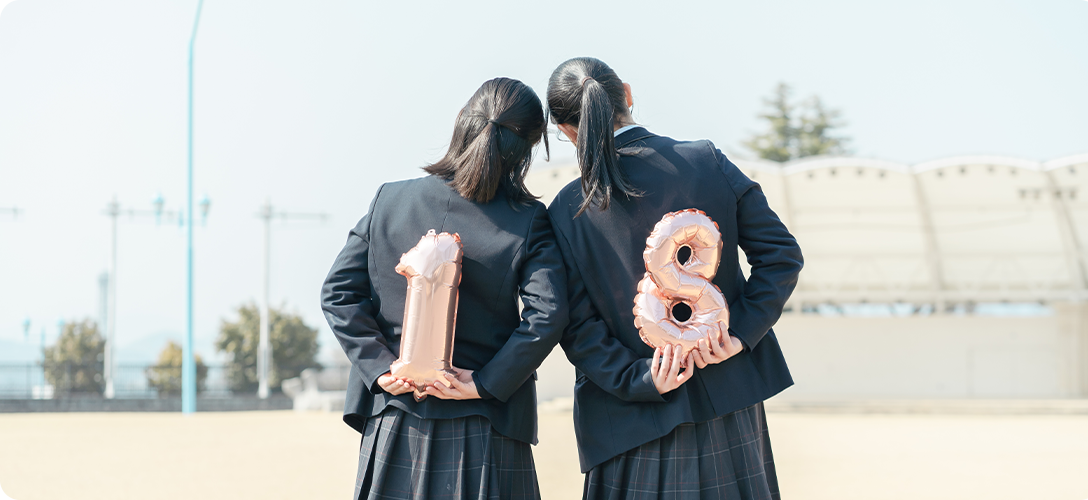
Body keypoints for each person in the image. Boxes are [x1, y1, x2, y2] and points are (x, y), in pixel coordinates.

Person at [545, 57, 804, 499]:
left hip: (630, 421)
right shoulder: (706, 160)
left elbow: (574, 325)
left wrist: (640, 377)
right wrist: (738, 334)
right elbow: (781, 256)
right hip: (728, 403)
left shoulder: (567, 209)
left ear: (567, 130)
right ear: (626, 94)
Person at [321, 77, 571, 500]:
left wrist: (381, 368)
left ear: (462, 121)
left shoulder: (389, 200)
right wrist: (487, 382)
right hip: (485, 422)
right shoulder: (528, 219)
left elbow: (337, 293)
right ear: (527, 149)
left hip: (396, 418)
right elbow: (548, 314)